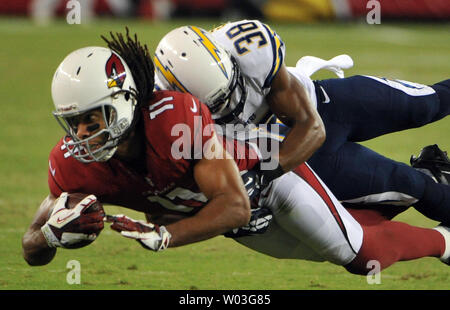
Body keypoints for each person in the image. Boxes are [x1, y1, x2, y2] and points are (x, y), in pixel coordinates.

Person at [21, 30, 450, 277]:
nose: (81, 133)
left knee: (420, 120)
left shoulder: (175, 119)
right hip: (237, 198)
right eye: (73, 121)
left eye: (91, 119)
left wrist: (167, 234)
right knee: (361, 252)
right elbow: (31, 245)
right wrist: (51, 235)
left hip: (280, 158)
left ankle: (439, 218)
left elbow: (237, 202)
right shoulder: (72, 165)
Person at [153, 20, 450, 225]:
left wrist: (259, 177)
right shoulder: (170, 119)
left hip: (320, 107)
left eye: (230, 90)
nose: (230, 104)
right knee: (412, 185)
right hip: (299, 162)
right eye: (217, 103)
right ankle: (431, 180)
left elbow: (311, 126)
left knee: (429, 103)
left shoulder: (249, 50)